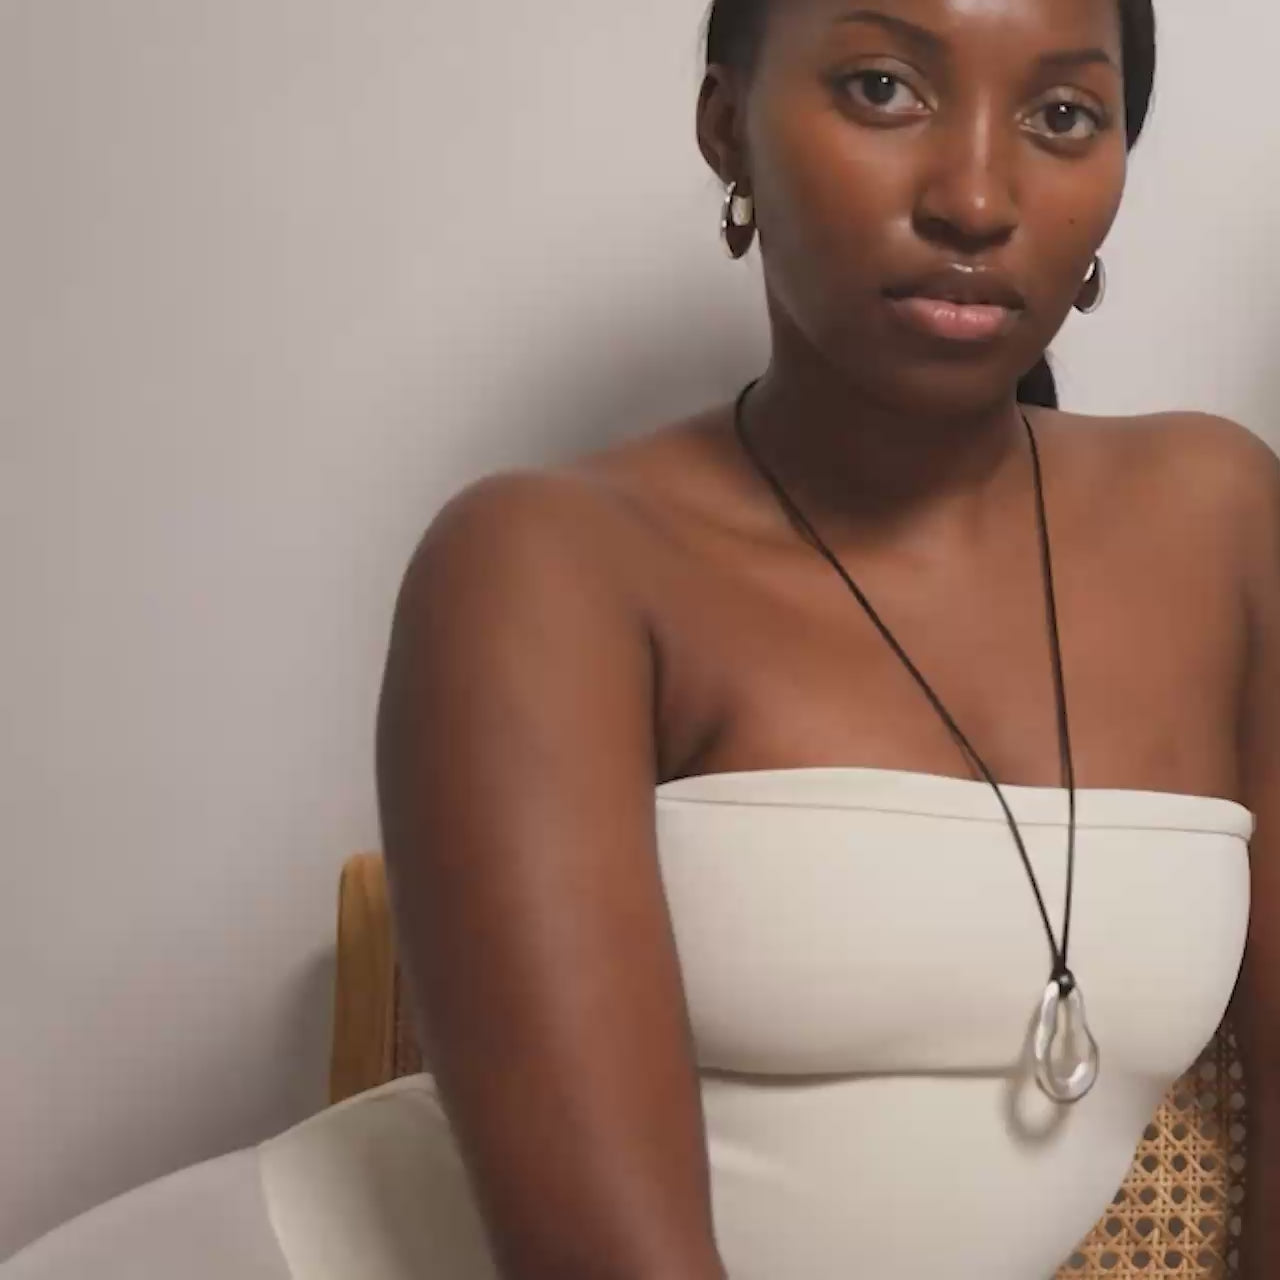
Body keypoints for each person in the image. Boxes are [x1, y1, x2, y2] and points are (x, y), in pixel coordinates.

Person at [6, 1, 1278, 1278]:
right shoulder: (545, 562)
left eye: (1059, 114)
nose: (974, 197)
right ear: (726, 126)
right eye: (883, 89)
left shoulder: (1216, 519)